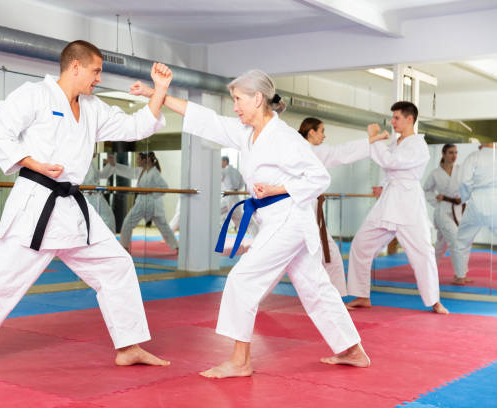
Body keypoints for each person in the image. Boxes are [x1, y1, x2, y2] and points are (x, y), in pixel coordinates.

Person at [0, 40, 172, 374]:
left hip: (73, 209)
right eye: (96, 71)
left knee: (117, 265)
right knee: (2, 282)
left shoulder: (92, 107)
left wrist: (159, 90)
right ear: (75, 66)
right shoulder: (35, 95)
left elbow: (135, 126)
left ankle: (129, 346)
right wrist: (34, 162)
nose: (98, 78)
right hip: (36, 205)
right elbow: (0, 133)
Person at [130, 69, 370, 378]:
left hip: (289, 218)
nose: (234, 107)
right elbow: (204, 118)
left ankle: (240, 361)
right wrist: (155, 94)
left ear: (258, 99)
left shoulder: (284, 138)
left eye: (238, 99)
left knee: (241, 280)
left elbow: (320, 177)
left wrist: (277, 188)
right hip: (275, 219)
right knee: (315, 286)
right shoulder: (246, 132)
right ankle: (352, 350)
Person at [346, 102, 448, 314]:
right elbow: (388, 169)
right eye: (392, 118)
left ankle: (434, 301)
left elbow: (391, 162)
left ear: (410, 119)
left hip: (409, 203)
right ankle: (362, 295)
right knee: (361, 244)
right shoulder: (396, 142)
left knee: (422, 252)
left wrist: (374, 139)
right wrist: (382, 187)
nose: (393, 122)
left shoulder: (417, 145)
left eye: (396, 118)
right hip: (389, 201)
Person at [299, 117, 388, 296]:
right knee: (328, 256)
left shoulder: (301, 150)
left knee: (327, 257)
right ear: (311, 132)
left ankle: (336, 298)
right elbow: (342, 152)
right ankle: (335, 298)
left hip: (305, 211)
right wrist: (372, 139)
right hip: (303, 212)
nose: (324, 136)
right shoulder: (311, 151)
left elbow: (342, 152)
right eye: (322, 131)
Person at [112, 152, 179, 253]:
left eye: (139, 159)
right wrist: (115, 165)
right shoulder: (141, 171)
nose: (137, 161)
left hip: (152, 203)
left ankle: (176, 247)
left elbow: (165, 188)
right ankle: (124, 247)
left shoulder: (154, 172)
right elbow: (128, 171)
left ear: (145, 160)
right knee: (127, 223)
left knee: (163, 227)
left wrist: (150, 191)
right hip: (141, 202)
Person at [451, 142, 496, 285]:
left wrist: (465, 198)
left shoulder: (475, 156)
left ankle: (460, 276)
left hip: (477, 199)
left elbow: (464, 181)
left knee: (462, 240)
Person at [422, 144, 464, 274]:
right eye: (451, 153)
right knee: (456, 240)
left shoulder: (460, 170)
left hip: (457, 210)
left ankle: (427, 270)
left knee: (441, 245)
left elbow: (468, 186)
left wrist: (463, 198)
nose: (454, 156)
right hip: (442, 211)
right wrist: (436, 201)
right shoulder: (435, 173)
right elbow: (426, 190)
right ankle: (460, 275)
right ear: (444, 154)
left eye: (456, 153)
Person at [82, 153, 116, 232]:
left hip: (95, 196)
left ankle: (107, 242)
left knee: (108, 219)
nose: (95, 153)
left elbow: (101, 175)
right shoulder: (80, 161)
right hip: (87, 196)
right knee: (86, 224)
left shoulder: (90, 162)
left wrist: (110, 164)